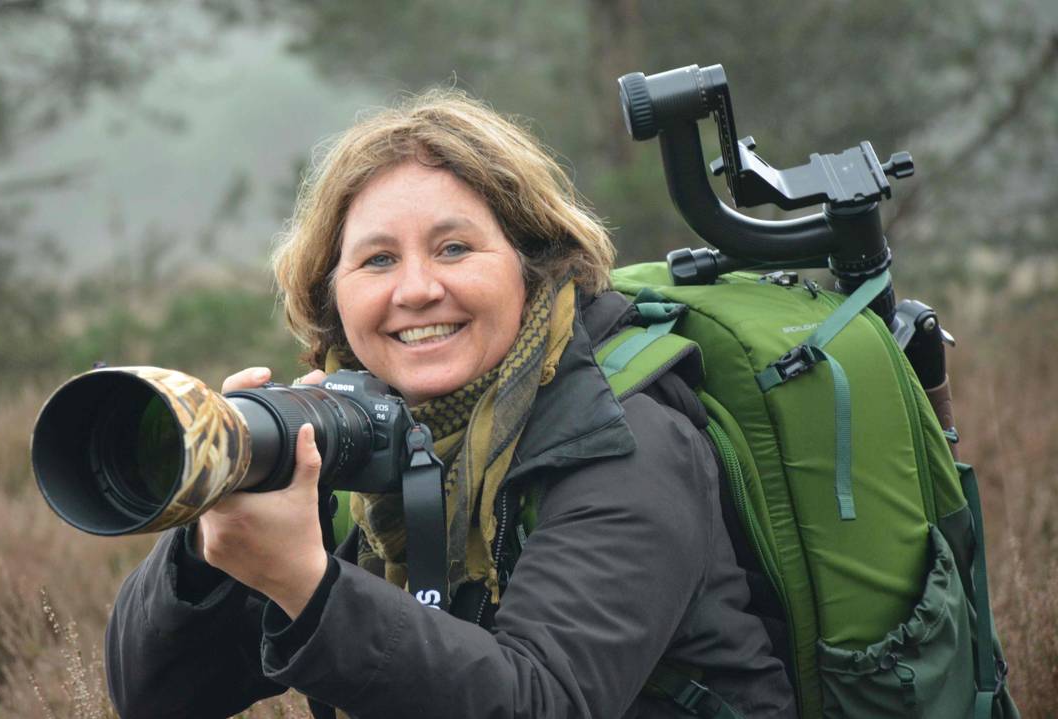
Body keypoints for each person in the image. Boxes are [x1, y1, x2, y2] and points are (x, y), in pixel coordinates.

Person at [105, 90, 795, 718]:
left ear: (533, 265)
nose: (415, 289)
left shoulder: (627, 442)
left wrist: (308, 584)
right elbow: (155, 696)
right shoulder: (382, 440)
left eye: (454, 248)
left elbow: (541, 701)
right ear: (333, 300)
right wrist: (218, 522)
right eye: (377, 260)